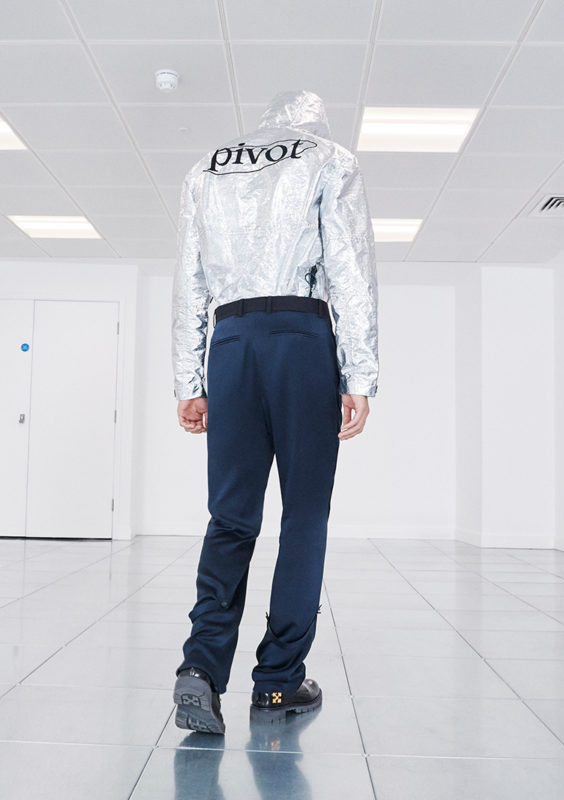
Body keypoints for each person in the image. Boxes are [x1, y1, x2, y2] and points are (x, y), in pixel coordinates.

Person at [170, 88, 379, 733]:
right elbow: (348, 266)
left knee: (230, 517)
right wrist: (360, 372)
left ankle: (200, 668)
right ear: (314, 119)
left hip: (230, 343)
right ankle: (279, 682)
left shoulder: (206, 167)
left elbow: (190, 279)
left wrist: (189, 379)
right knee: (305, 515)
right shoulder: (329, 158)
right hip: (301, 338)